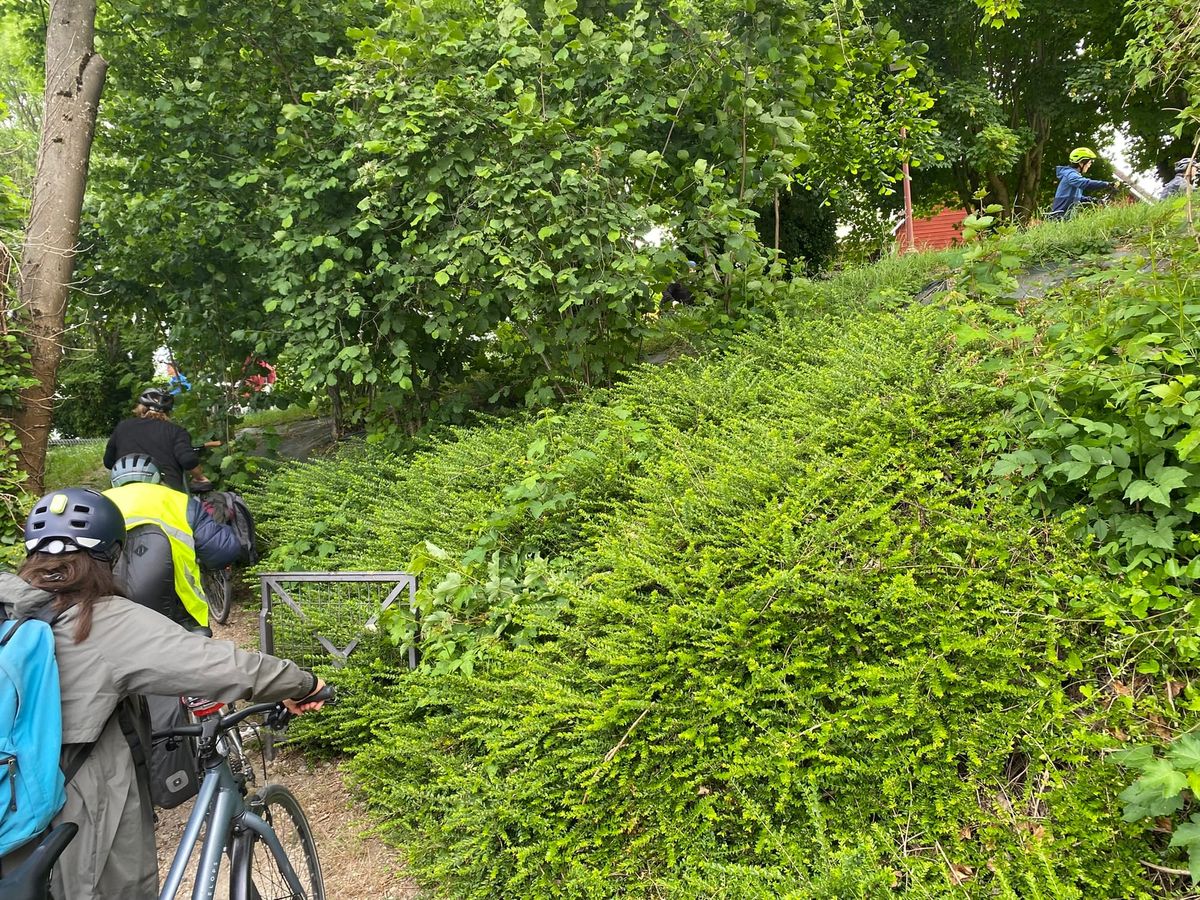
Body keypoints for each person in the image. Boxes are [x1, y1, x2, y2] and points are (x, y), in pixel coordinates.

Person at [0, 487, 326, 899]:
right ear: (113, 555)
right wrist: (302, 683)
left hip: (9, 806)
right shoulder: (99, 619)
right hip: (73, 810)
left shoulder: (10, 610)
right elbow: (214, 664)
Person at [105, 453, 242, 633]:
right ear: (158, 478)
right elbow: (222, 552)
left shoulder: (97, 502)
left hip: (109, 613)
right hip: (178, 613)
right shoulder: (180, 501)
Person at [103, 388, 209, 492]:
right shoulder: (176, 431)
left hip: (124, 492)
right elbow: (188, 460)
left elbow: (108, 462)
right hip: (166, 492)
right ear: (168, 412)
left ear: (140, 407)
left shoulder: (123, 427)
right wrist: (200, 478)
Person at [1048, 147, 1112, 220]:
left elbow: (1076, 197)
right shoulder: (1071, 175)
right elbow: (1086, 183)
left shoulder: (1074, 176)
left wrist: (1094, 200)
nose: (1090, 165)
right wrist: (1107, 184)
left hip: (1067, 219)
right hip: (1059, 219)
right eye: (1089, 162)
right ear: (1081, 163)